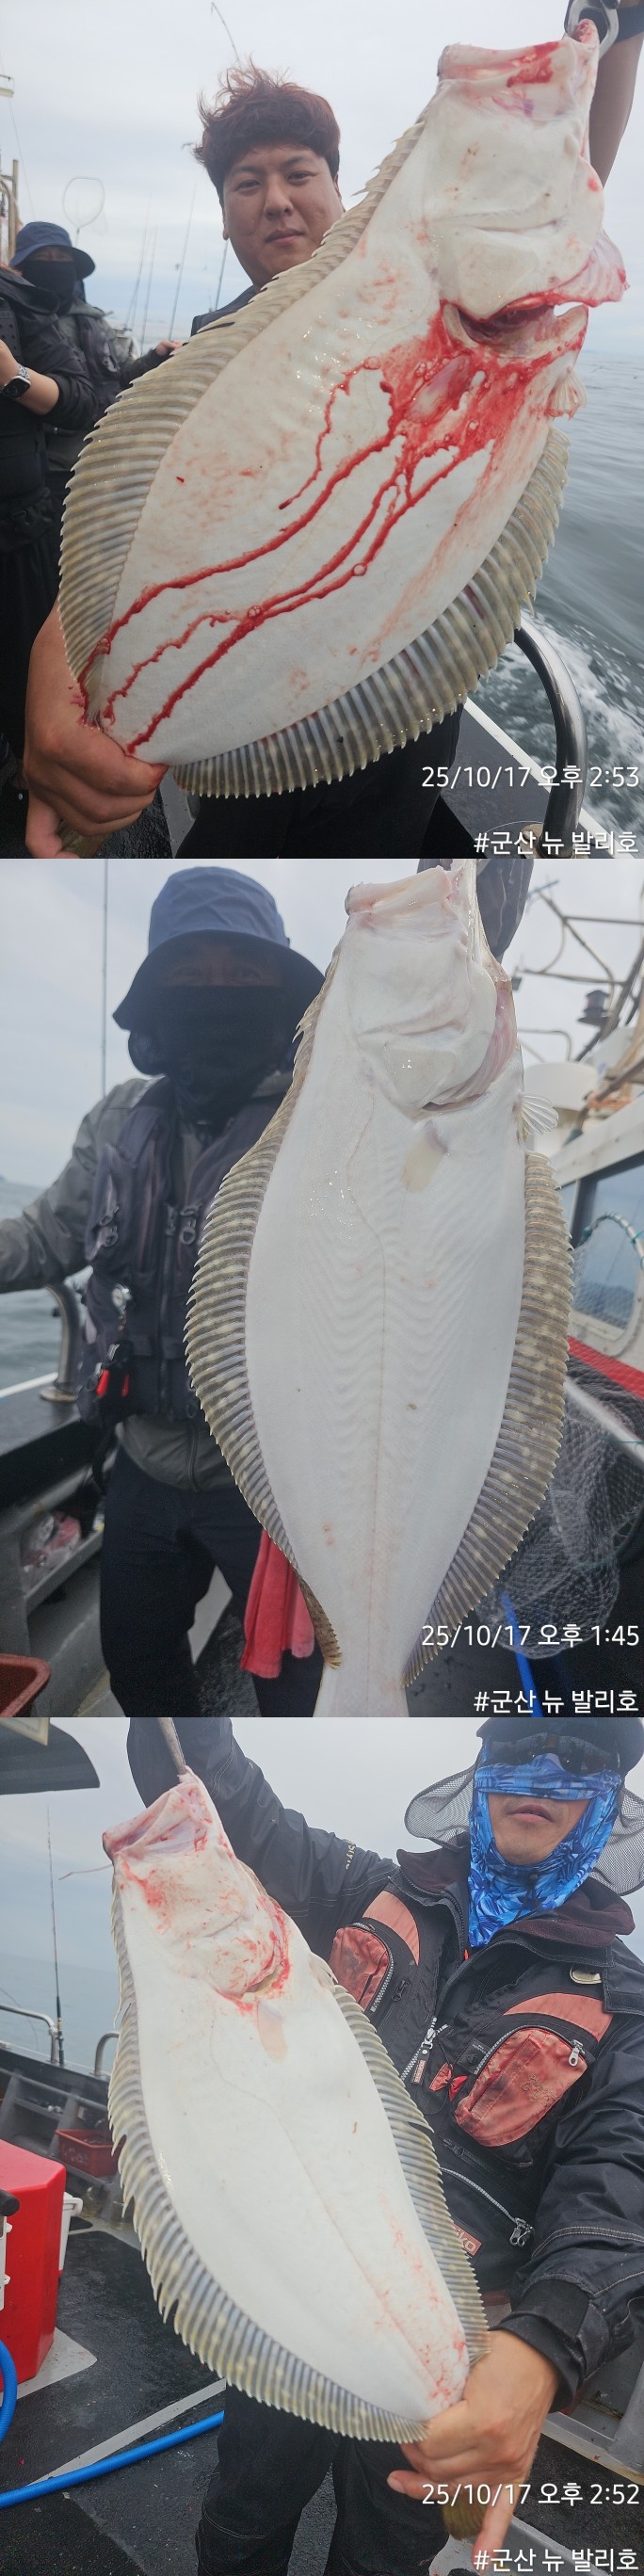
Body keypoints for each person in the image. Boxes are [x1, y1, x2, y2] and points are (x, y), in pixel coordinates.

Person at [125, 1710, 644, 2576]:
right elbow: (226, 1806)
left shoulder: (625, 2013)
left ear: (607, 1800)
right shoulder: (365, 1890)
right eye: (518, 1748)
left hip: (452, 2347)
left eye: (580, 1756)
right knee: (243, 2517)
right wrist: (169, 1697)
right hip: (298, 2297)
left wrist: (542, 2348)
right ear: (482, 1773)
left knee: (383, 2559)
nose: (543, 1771)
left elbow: (619, 2183)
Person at [0, 867, 324, 1715]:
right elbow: (45, 1236)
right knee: (140, 1665)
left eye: (243, 975)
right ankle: (189, 1777)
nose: (216, 993)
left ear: (281, 996)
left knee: (294, 1685)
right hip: (140, 1457)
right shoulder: (120, 1120)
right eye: (190, 974)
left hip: (271, 1481)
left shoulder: (323, 1122)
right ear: (157, 997)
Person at [9, 223, 180, 554]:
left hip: (100, 462)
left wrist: (154, 358)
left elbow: (120, 376)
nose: (54, 265)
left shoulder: (93, 321)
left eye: (62, 258)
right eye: (43, 258)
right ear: (22, 268)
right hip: (45, 470)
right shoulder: (17, 321)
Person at [0, 255, 92, 768]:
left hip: (18, 534)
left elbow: (81, 400)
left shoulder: (20, 303)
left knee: (27, 681)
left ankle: (31, 771)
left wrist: (12, 375)